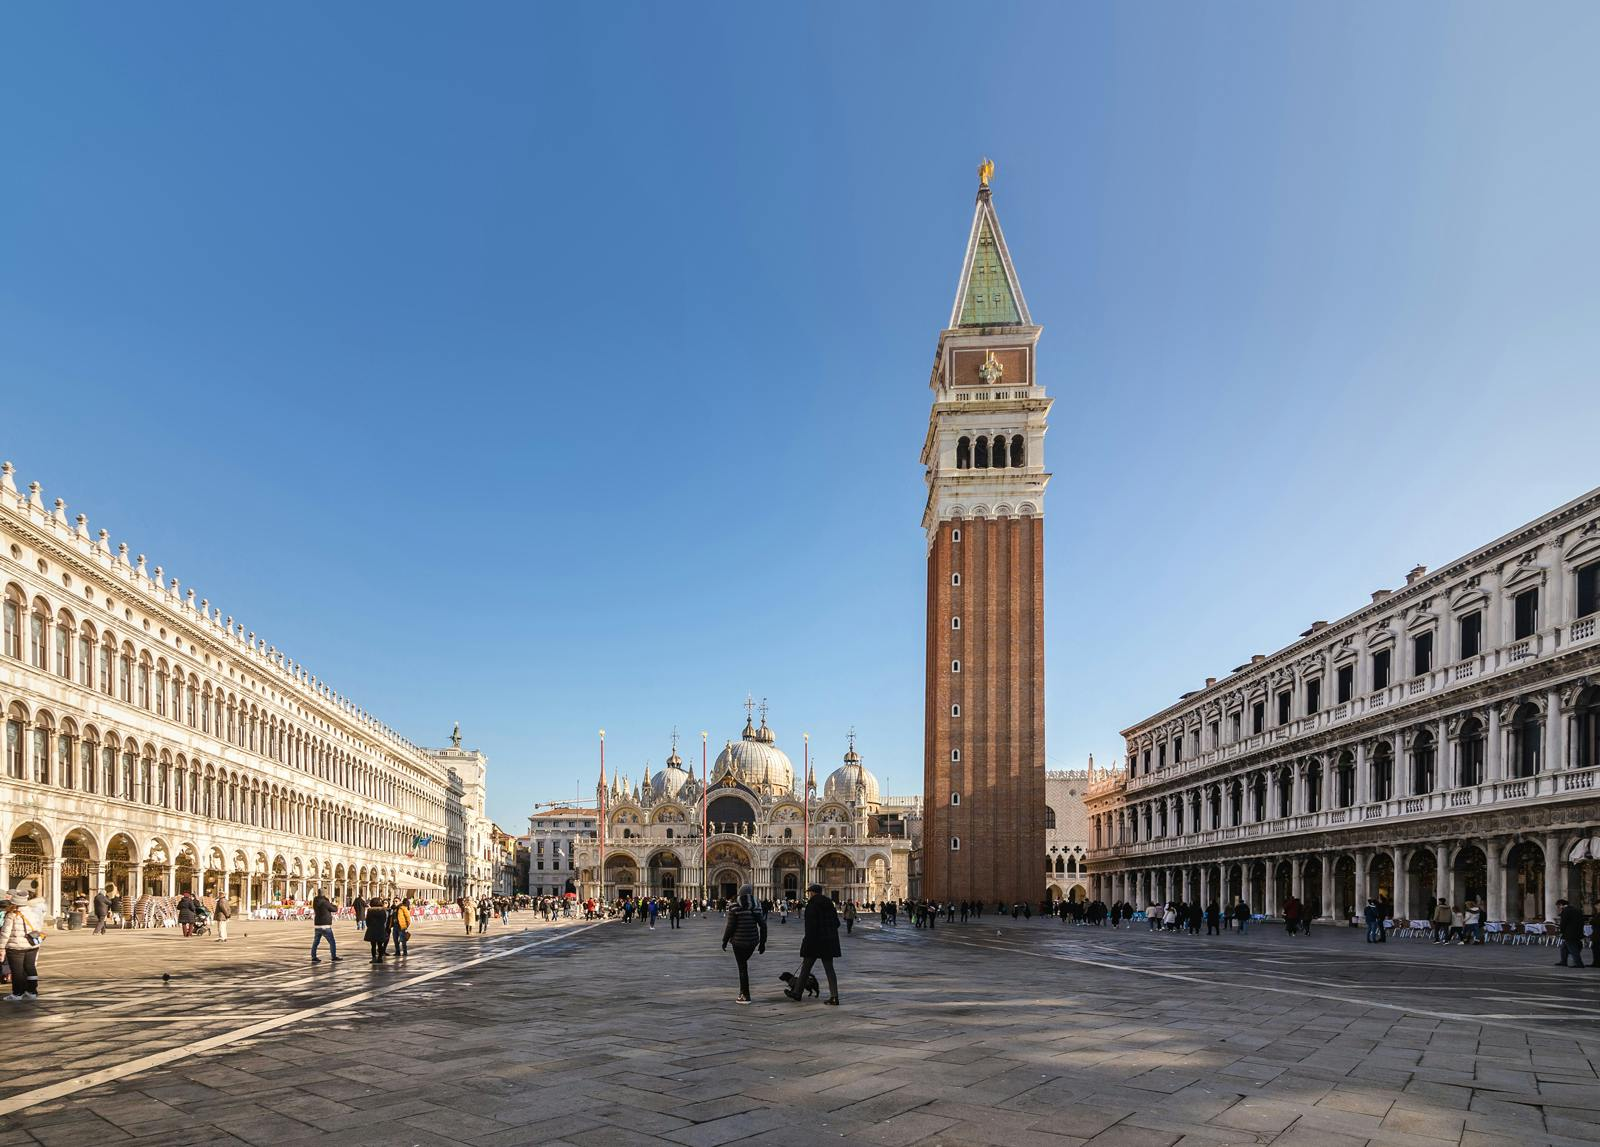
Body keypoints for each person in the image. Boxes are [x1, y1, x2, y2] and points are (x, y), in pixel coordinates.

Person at [786, 884, 840, 1006]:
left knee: (805, 968)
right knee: (830, 969)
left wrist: (807, 942)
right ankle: (834, 997)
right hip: (828, 941)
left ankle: (797, 993)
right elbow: (837, 923)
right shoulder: (830, 904)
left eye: (809, 892)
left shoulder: (812, 905)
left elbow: (810, 927)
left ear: (812, 893)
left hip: (815, 941)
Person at [721, 884, 767, 1004]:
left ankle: (745, 995)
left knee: (742, 968)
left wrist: (725, 941)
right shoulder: (756, 905)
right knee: (743, 965)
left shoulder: (734, 906)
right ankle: (744, 994)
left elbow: (730, 926)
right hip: (752, 941)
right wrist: (762, 943)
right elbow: (763, 925)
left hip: (738, 942)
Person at [1, 892, 44, 1000]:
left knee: (17, 971)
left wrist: (1, 947)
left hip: (16, 946)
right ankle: (32, 991)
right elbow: (38, 927)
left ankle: (17, 993)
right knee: (30, 968)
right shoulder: (33, 912)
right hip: (32, 945)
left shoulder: (12, 914)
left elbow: (5, 932)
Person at [311, 888, 341, 962]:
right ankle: (333, 956)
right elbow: (334, 909)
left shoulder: (315, 901)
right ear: (324, 894)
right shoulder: (325, 902)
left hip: (317, 924)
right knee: (332, 942)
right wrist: (333, 903)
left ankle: (313, 956)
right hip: (325, 925)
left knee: (316, 942)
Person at [1556, 898, 1586, 968]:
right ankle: (1563, 961)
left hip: (1569, 934)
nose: (1558, 908)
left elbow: (1563, 923)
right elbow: (1582, 921)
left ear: (1561, 905)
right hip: (1577, 932)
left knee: (1573, 949)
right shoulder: (1577, 910)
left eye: (1558, 906)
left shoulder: (1565, 911)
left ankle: (1579, 963)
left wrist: (1561, 931)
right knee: (1563, 947)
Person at [366, 897, 391, 963]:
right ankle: (380, 958)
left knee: (373, 945)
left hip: (372, 929)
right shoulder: (382, 910)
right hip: (380, 928)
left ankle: (374, 958)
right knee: (380, 945)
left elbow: (367, 920)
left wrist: (369, 926)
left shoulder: (370, 910)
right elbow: (384, 919)